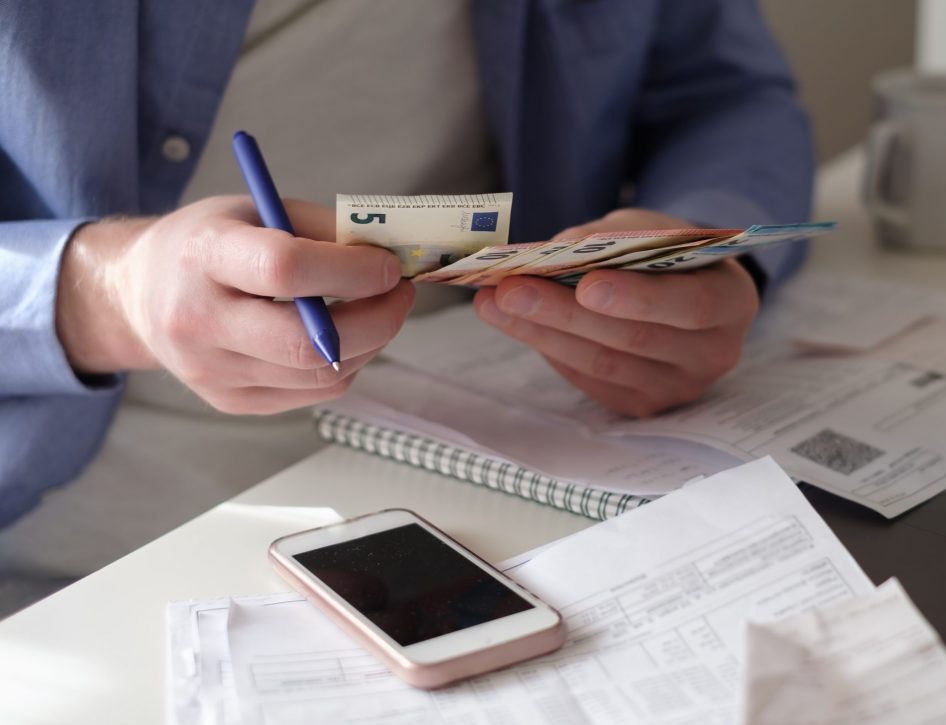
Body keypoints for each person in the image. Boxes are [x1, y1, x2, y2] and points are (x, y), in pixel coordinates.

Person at [0, 0, 812, 592]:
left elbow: (724, 96)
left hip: (544, 473)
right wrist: (104, 293)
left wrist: (703, 254)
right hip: (100, 561)